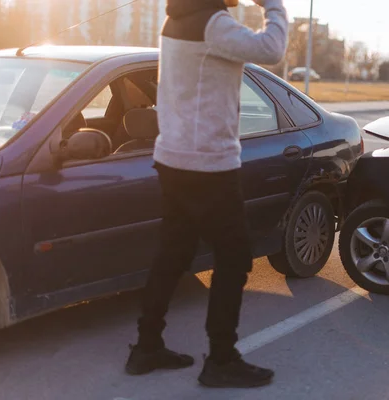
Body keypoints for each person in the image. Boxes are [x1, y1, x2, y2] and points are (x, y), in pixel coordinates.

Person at [125, 0, 288, 389]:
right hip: (208, 165)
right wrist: (274, 6)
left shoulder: (175, 20)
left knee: (172, 254)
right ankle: (221, 359)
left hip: (174, 159)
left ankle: (146, 347)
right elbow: (273, 49)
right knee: (234, 257)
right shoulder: (214, 24)